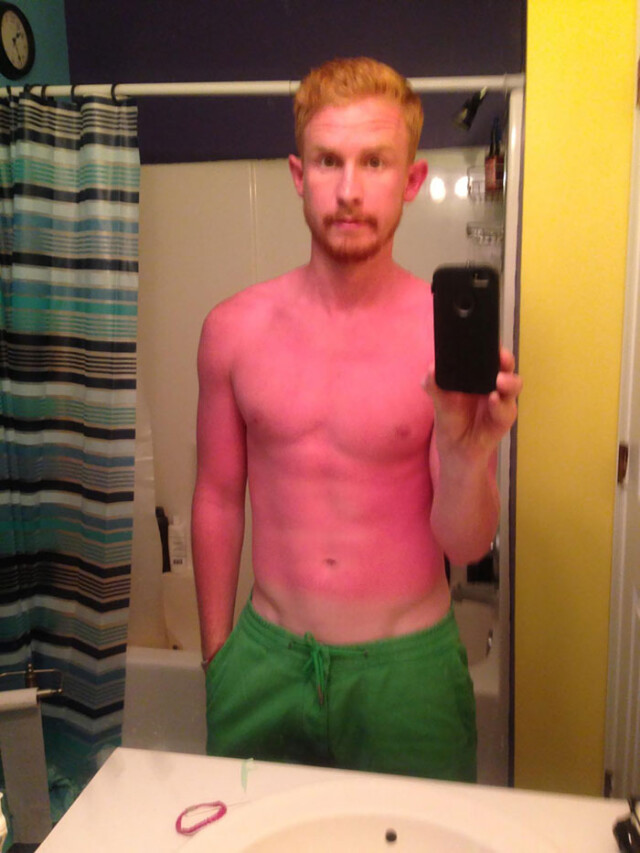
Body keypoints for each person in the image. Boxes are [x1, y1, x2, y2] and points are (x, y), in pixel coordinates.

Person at [191, 56, 522, 782]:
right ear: (297, 174)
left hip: (408, 674)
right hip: (263, 662)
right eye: (328, 161)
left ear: (411, 179)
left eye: (374, 162)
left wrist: (468, 453)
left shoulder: (439, 341)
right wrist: (218, 656)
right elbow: (216, 497)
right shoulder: (232, 330)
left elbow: (465, 542)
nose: (348, 190)